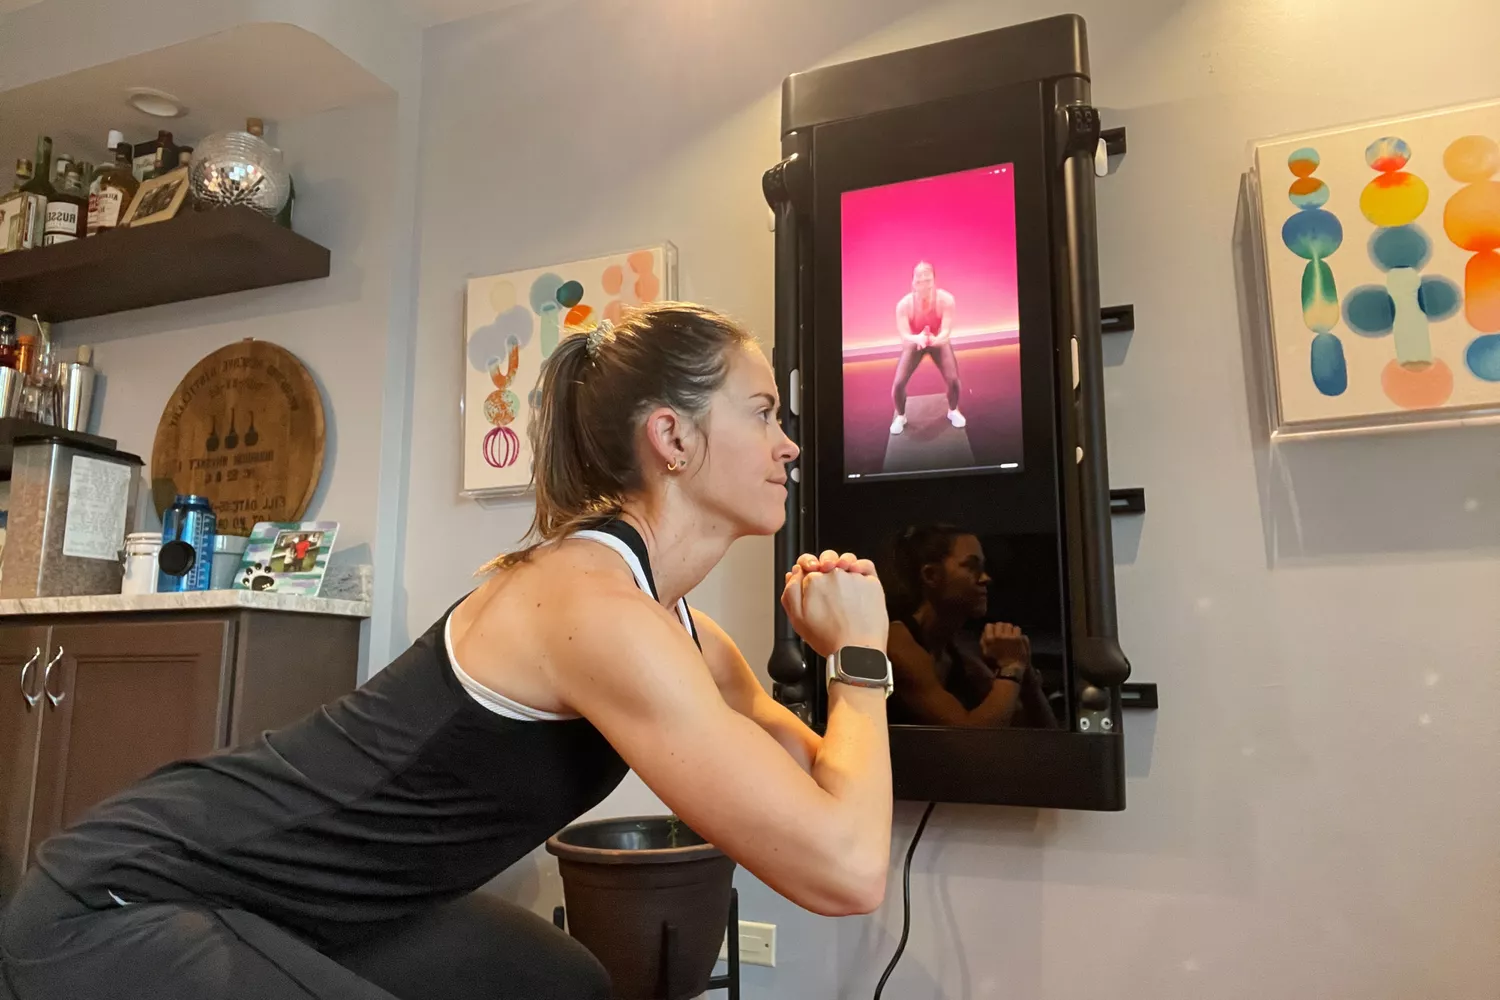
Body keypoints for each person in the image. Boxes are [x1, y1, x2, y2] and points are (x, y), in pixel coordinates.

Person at [0, 304, 895, 1000]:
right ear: (673, 437)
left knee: (560, 984)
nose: (789, 443)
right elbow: (844, 871)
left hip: (316, 905)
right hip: (127, 899)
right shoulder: (593, 609)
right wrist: (858, 655)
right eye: (764, 411)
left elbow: (837, 808)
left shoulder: (684, 634)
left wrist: (856, 665)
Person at [883, 525, 1057, 729]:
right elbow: (970, 737)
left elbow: (1043, 734)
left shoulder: (961, 655)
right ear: (931, 575)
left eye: (983, 568)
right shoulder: (897, 643)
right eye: (971, 566)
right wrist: (1011, 667)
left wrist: (1028, 680)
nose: (985, 578)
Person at [889, 261, 963, 435]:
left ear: (934, 281)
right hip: (915, 342)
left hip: (938, 341)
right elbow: (904, 335)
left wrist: (934, 340)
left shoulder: (946, 300)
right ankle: (901, 416)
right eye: (919, 280)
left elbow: (946, 331)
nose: (923, 284)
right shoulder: (904, 305)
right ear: (913, 283)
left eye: (927, 280)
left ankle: (953, 411)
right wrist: (918, 339)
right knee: (898, 384)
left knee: (953, 380)